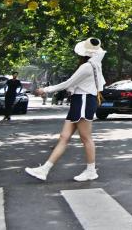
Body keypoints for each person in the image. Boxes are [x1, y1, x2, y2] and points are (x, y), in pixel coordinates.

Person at [24, 37, 105, 182]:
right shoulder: (94, 64)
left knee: (86, 138)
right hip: (80, 101)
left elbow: (68, 83)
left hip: (84, 101)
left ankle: (91, 170)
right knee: (64, 137)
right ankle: (45, 169)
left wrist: (46, 89)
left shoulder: (87, 66)